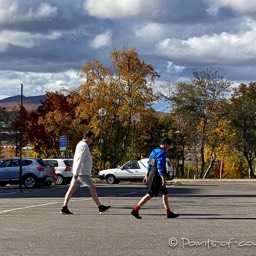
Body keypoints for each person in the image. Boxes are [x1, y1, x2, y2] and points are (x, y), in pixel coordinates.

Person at [60, 131, 111, 215]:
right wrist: (76, 172)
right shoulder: (84, 146)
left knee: (71, 189)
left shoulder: (80, 144)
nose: (92, 140)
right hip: (82, 173)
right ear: (87, 137)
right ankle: (100, 207)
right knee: (92, 188)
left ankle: (64, 207)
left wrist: (76, 171)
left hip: (79, 173)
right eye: (91, 138)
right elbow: (79, 159)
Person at [131, 137, 179, 219]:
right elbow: (160, 166)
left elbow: (149, 164)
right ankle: (135, 210)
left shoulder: (154, 151)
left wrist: (147, 175)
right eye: (168, 146)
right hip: (157, 176)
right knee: (150, 194)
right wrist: (163, 178)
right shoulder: (162, 153)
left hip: (152, 173)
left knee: (165, 193)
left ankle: (168, 212)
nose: (168, 148)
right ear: (164, 145)